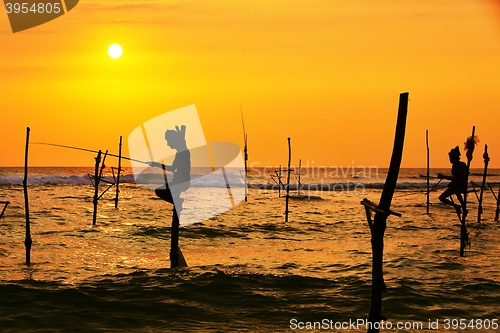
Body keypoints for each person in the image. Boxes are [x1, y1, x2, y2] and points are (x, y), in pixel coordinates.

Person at [148, 125, 191, 209]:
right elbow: (173, 168)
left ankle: (177, 202)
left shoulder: (182, 151)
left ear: (173, 140)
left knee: (159, 191)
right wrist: (156, 164)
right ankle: (177, 202)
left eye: (168, 141)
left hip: (180, 182)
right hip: (180, 181)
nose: (167, 144)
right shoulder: (180, 151)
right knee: (161, 191)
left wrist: (157, 164)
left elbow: (172, 168)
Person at [437, 146, 468, 218]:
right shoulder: (454, 166)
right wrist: (444, 177)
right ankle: (456, 206)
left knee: (457, 192)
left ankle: (464, 208)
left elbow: (463, 177)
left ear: (455, 158)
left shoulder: (462, 165)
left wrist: (454, 183)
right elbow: (454, 178)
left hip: (461, 185)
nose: (450, 159)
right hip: (454, 186)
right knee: (442, 197)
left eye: (451, 158)